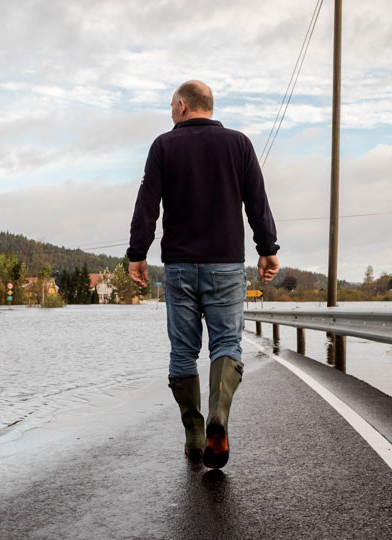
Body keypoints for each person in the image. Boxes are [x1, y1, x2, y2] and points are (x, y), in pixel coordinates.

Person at [127, 80, 279, 468]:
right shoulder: (239, 144)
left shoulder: (164, 145)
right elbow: (256, 200)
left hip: (178, 267)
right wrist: (267, 250)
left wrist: (137, 253)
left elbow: (148, 204)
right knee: (227, 344)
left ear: (182, 105)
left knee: (183, 352)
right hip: (226, 265)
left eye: (171, 107)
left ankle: (195, 434)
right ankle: (219, 418)